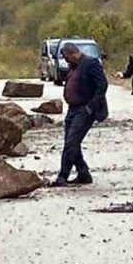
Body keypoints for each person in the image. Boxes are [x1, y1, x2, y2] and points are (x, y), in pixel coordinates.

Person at [53, 43, 109, 187]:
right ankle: (83, 173)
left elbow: (102, 85)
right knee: (70, 141)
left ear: (73, 53)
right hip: (72, 108)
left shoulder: (90, 63)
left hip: (85, 109)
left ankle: (62, 175)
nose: (65, 61)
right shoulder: (73, 66)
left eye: (66, 57)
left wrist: (91, 107)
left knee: (71, 141)